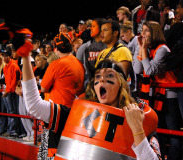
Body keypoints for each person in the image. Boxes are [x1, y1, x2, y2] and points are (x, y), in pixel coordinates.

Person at [19, 37, 161, 159]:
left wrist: (138, 130)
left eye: (109, 76)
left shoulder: (138, 115)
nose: (101, 80)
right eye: (97, 77)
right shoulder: (79, 112)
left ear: (121, 84)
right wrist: (26, 58)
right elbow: (34, 105)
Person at [133, 21, 182, 160]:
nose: (143, 34)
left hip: (169, 95)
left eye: (146, 31)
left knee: (173, 133)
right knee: (158, 132)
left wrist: (143, 50)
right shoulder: (146, 48)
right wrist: (140, 48)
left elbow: (149, 70)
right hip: (154, 95)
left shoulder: (163, 49)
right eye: (142, 30)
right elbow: (138, 70)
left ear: (154, 32)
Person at [76, 18, 107, 90]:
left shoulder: (112, 46)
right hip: (90, 84)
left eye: (94, 27)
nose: (91, 29)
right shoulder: (84, 47)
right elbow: (78, 69)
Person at [1, 48, 22, 137]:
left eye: (6, 56)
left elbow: (14, 80)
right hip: (10, 91)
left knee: (13, 111)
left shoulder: (13, 65)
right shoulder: (6, 67)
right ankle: (13, 130)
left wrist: (7, 91)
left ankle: (13, 130)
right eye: (3, 57)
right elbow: (8, 80)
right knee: (11, 111)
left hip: (13, 92)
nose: (4, 58)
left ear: (10, 57)